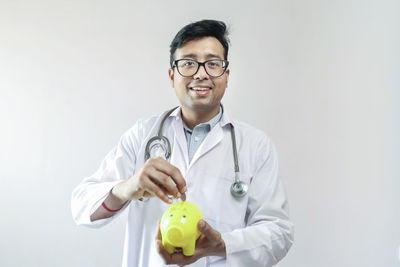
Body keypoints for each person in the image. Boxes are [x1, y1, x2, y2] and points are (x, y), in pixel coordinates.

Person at [71, 19, 294, 267]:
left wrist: (223, 245)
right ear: (172, 75)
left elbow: (279, 232)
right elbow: (81, 206)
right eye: (188, 63)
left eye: (212, 63)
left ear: (226, 75)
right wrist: (128, 187)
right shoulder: (142, 135)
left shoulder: (255, 145)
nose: (201, 74)